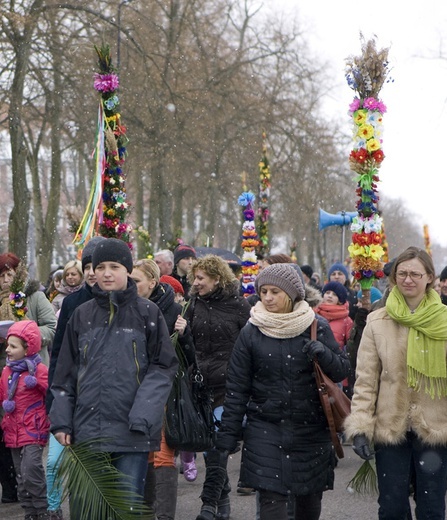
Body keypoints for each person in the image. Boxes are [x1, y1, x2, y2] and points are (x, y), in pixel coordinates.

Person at [49, 238, 178, 519]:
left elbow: (163, 367)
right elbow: (64, 375)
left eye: (114, 266)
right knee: (86, 511)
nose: (106, 272)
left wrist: (143, 413)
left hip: (131, 431)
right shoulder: (81, 315)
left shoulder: (147, 313)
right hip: (87, 431)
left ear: (127, 271)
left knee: (124, 509)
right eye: (100, 266)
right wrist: (61, 420)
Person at [214, 264, 350, 520]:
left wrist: (324, 354)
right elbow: (237, 387)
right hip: (265, 430)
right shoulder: (251, 331)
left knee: (308, 506)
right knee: (271, 506)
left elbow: (342, 370)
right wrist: (228, 433)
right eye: (263, 291)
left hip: (311, 431)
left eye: (274, 291)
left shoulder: (315, 325)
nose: (267, 297)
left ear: (291, 294)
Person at [344, 246, 447, 519]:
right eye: (402, 273)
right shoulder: (378, 321)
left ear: (429, 277)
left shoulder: (445, 321)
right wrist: (361, 425)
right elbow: (365, 380)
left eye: (415, 273)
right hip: (390, 426)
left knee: (432, 507)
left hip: (436, 427)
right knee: (391, 507)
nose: (408, 279)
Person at [45, 235, 106, 520]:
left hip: (106, 396)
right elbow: (59, 354)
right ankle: (55, 507)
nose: (93, 272)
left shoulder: (124, 302)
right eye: (89, 266)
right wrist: (54, 397)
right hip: (74, 392)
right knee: (59, 461)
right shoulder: (72, 304)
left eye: (98, 265)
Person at [186, 255, 251, 520]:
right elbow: (188, 346)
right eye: (194, 278)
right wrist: (182, 331)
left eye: (201, 278)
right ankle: (223, 500)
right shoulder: (192, 305)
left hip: (229, 386)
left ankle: (208, 503)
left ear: (217, 278)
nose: (196, 283)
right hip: (200, 387)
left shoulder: (239, 306)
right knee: (209, 446)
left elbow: (249, 344)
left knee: (218, 446)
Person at [130, 258, 195, 520]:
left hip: (165, 390)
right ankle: (148, 512)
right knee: (144, 452)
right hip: (132, 389)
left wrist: (185, 334)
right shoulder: (125, 307)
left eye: (136, 280)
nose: (130, 284)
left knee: (163, 453)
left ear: (152, 283)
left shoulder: (172, 310)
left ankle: (164, 515)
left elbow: (189, 358)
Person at [0, 320, 50, 520]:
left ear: (28, 348)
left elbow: (52, 394)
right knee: (20, 474)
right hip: (12, 430)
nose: (8, 350)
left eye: (13, 346)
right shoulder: (6, 372)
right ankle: (29, 511)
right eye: (7, 345)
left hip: (33, 429)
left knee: (31, 470)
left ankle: (42, 509)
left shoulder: (38, 371)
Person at [0, 252, 57, 366]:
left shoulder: (35, 297)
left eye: (9, 275)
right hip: (4, 370)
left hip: (32, 368)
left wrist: (26, 336)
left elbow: (51, 328)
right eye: (2, 276)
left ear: (18, 275)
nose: (6, 280)